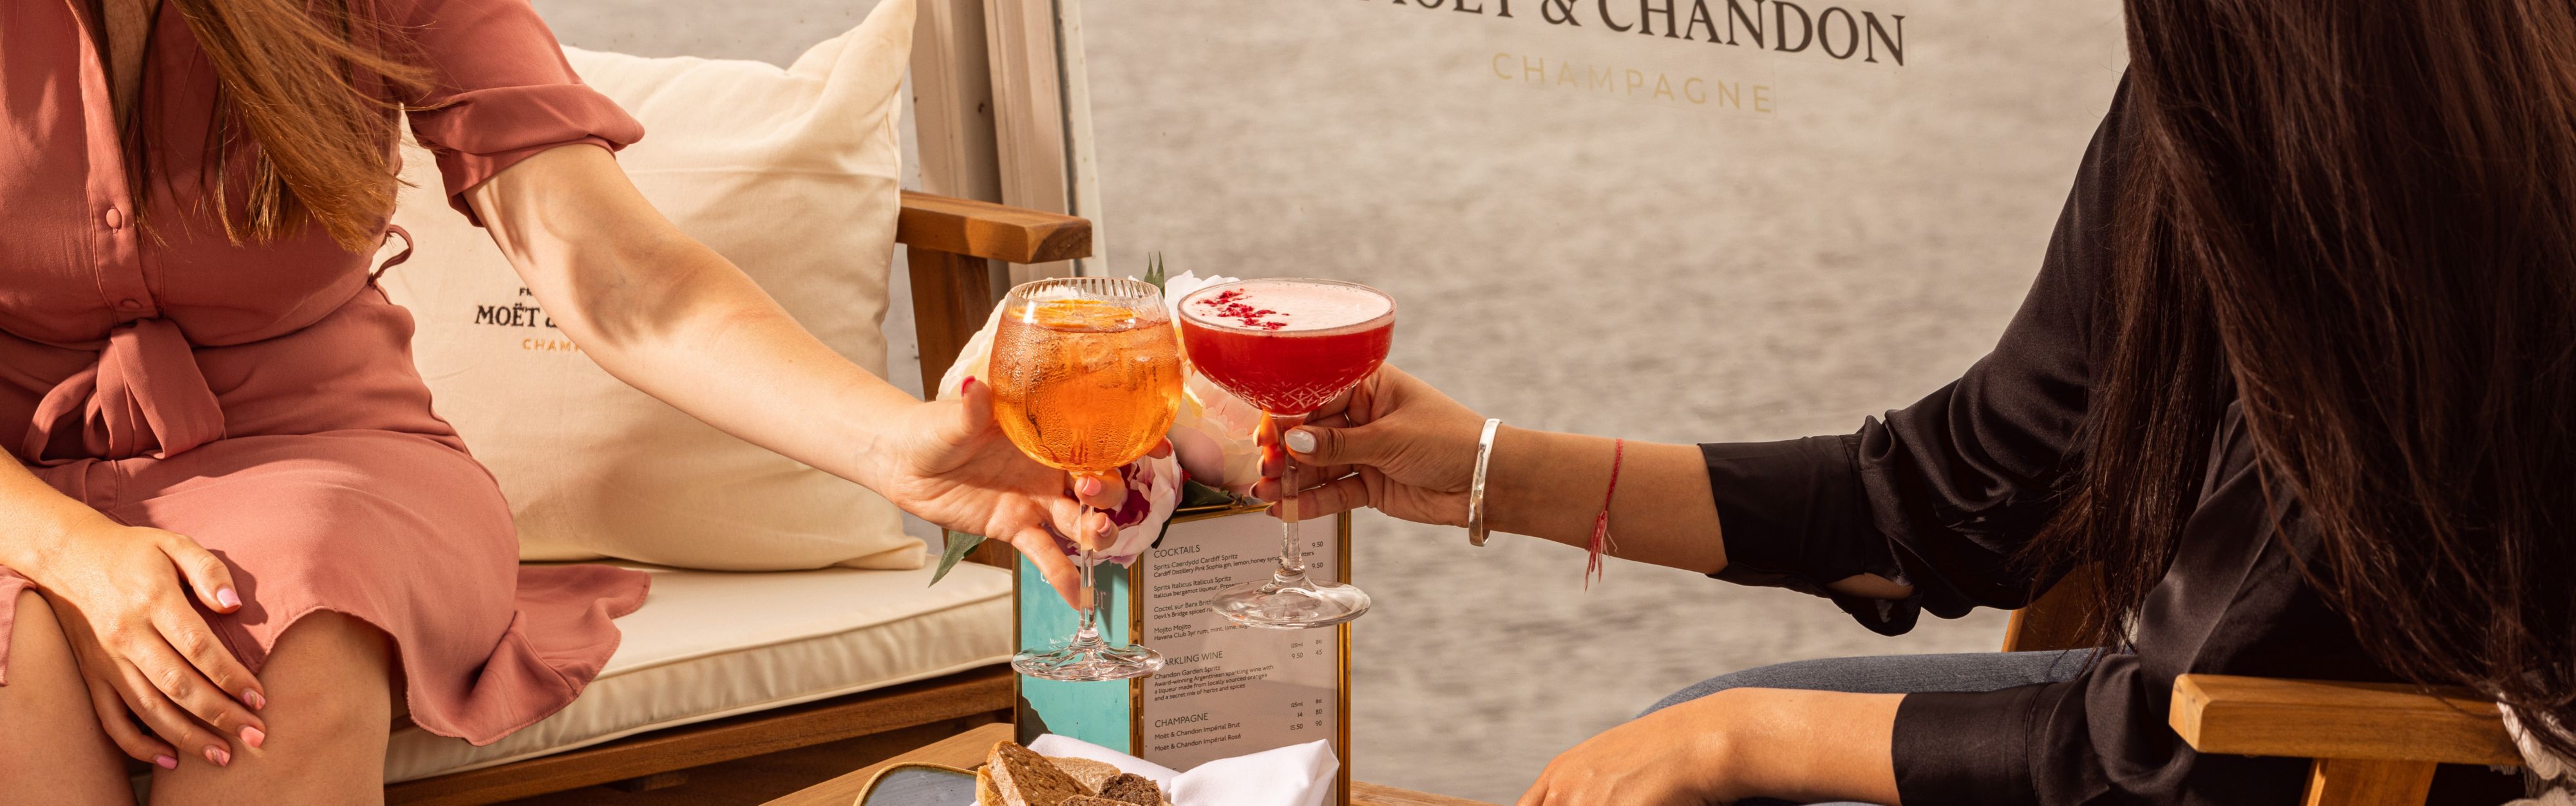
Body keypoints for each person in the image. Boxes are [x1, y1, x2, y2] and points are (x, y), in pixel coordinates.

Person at [1265, 1, 2576, 803]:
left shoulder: (2412, 180)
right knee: (1684, 735)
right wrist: (1478, 467)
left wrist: (1737, 739)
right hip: (2189, 735)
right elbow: (1962, 490)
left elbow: (2181, 756)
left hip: (2328, 763)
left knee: (1706, 747)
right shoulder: (2218, 85)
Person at [0, 0, 1113, 800]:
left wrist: (898, 447)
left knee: (290, 627)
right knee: (19, 670)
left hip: (320, 450)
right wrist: (74, 558)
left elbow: (628, 286)